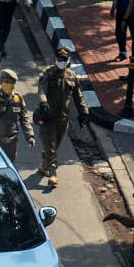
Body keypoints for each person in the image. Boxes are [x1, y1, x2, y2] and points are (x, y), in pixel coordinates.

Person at [35, 47, 90, 185]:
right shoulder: (48, 73)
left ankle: (44, 165)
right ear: (55, 59)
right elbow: (41, 88)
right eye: (59, 59)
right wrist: (44, 102)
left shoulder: (72, 76)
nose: (61, 62)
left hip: (63, 119)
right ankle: (53, 173)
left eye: (64, 60)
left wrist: (84, 113)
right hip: (47, 117)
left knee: (55, 145)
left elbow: (78, 96)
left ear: (68, 61)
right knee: (51, 146)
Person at [0, 68, 34, 162]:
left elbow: (24, 119)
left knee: (10, 165)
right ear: (1, 82)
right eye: (7, 81)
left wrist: (30, 136)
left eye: (13, 82)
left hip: (11, 142)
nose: (10, 85)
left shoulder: (17, 98)